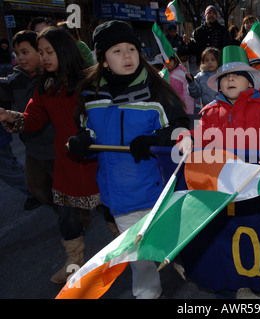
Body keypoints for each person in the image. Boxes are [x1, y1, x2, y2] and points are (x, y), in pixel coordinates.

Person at [67, 20, 189, 299]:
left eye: (132, 49)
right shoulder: (90, 94)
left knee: (168, 242)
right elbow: (89, 132)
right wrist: (82, 141)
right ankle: (147, 293)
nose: (127, 56)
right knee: (140, 257)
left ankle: (177, 257)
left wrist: (157, 140)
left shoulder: (157, 91)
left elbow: (183, 129)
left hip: (159, 191)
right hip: (120, 195)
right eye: (117, 51)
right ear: (104, 60)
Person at [0, 28, 101, 285]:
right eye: (41, 52)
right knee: (66, 216)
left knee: (115, 212)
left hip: (98, 160)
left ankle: (133, 258)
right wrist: (11, 116)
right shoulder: (45, 86)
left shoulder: (89, 80)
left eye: (49, 52)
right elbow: (33, 119)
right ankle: (73, 262)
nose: (43, 57)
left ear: (64, 51)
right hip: (66, 162)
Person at [177, 45, 260, 165]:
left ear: (250, 83)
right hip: (222, 177)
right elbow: (201, 132)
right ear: (219, 86)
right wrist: (189, 138)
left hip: (256, 174)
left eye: (237, 74)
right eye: (224, 76)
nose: (230, 79)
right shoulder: (212, 112)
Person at [0, 30, 52, 209]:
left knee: (67, 197)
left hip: (58, 148)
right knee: (37, 188)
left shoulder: (51, 78)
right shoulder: (15, 80)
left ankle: (73, 224)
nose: (20, 58)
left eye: (25, 52)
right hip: (33, 148)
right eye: (16, 53)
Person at [186, 47, 220, 114]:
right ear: (203, 62)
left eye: (213, 59)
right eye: (206, 60)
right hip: (206, 112)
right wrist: (191, 82)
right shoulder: (200, 76)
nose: (209, 62)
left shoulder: (224, 75)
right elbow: (194, 94)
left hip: (223, 111)